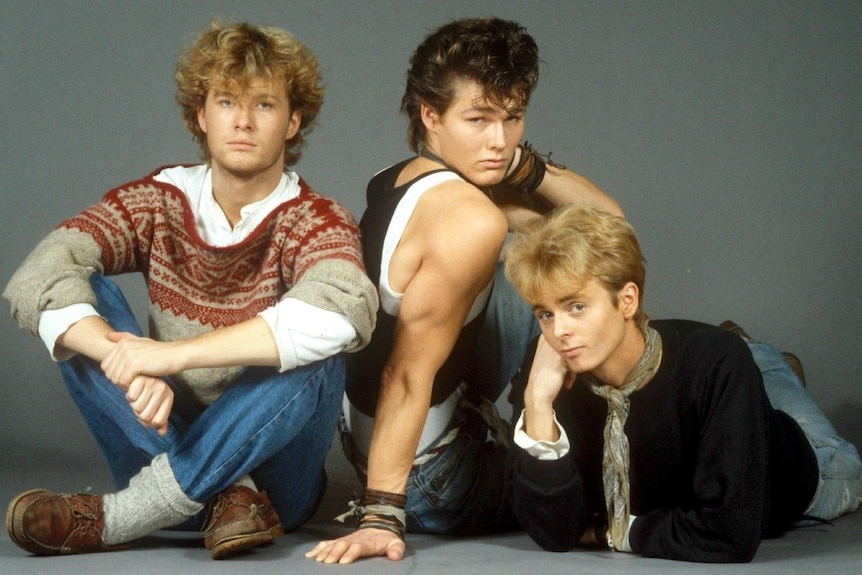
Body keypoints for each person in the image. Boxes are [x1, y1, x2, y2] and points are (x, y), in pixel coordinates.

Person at [3, 20, 377, 560]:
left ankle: (116, 518)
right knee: (82, 295)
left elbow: (344, 311)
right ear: (201, 115)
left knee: (321, 349)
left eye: (265, 105)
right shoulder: (157, 201)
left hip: (279, 489)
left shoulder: (316, 219)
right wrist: (124, 358)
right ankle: (227, 495)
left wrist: (169, 357)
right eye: (227, 101)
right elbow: (37, 275)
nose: (243, 122)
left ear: (294, 121)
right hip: (155, 443)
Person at [306, 17, 623, 565]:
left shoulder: (400, 175)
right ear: (430, 115)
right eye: (478, 120)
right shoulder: (470, 221)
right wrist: (382, 512)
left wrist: (521, 166)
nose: (499, 141)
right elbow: (405, 373)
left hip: (372, 431)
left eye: (513, 118)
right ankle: (788, 409)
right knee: (637, 470)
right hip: (433, 475)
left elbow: (608, 229)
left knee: (568, 276)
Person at [503, 204, 862, 562]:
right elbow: (554, 531)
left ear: (627, 300)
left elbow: (728, 534)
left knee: (848, 466)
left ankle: (763, 362)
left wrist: (610, 532)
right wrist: (537, 403)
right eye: (545, 314)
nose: (559, 331)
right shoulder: (548, 364)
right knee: (740, 368)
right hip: (717, 374)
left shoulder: (717, 361)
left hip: (805, 463)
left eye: (576, 306)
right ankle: (762, 363)